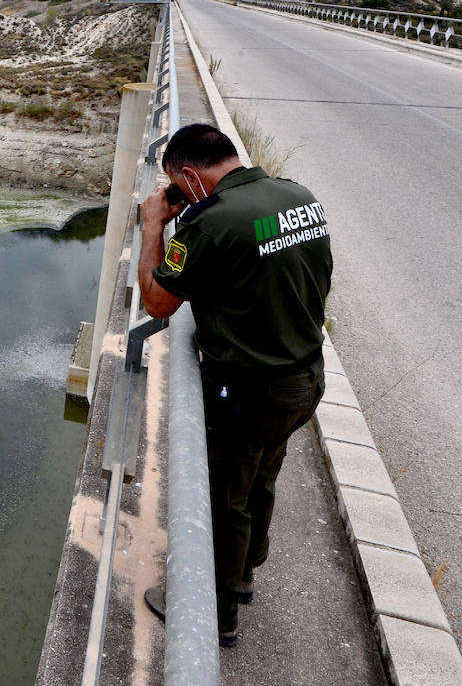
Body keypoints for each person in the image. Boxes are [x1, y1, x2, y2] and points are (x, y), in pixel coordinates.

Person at [137, 123, 332, 647]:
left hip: (252, 391)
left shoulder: (213, 224)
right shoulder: (299, 196)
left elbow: (157, 302)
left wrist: (155, 226)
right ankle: (245, 576)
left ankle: (216, 616)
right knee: (263, 476)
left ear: (189, 178)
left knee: (226, 501)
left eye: (177, 185)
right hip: (305, 378)